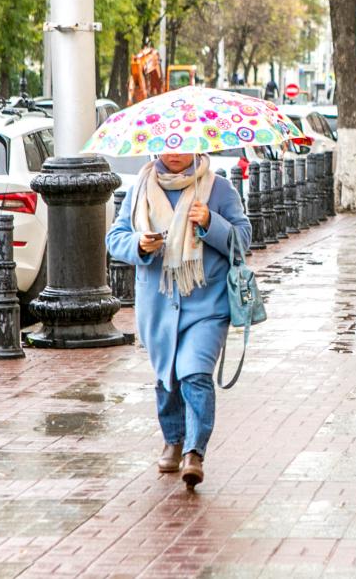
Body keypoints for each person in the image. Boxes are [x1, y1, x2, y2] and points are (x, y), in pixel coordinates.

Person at [106, 152, 252, 490]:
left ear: (198, 147)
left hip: (207, 302)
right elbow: (115, 239)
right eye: (168, 147)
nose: (175, 154)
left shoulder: (219, 190)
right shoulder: (140, 189)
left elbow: (243, 240)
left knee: (195, 373)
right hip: (157, 304)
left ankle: (194, 452)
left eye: (183, 146)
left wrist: (211, 222)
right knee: (167, 376)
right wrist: (139, 245)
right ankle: (173, 440)